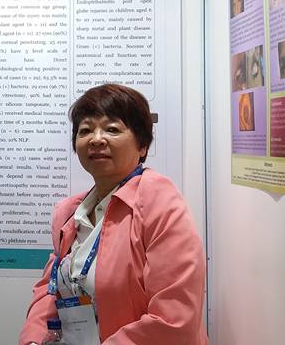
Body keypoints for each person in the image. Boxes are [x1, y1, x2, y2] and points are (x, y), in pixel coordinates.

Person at [20, 84, 208, 345]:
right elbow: (50, 289)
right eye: (85, 130)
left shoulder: (159, 203)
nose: (96, 139)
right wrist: (34, 340)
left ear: (142, 145)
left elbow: (174, 322)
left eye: (112, 129)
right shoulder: (69, 214)